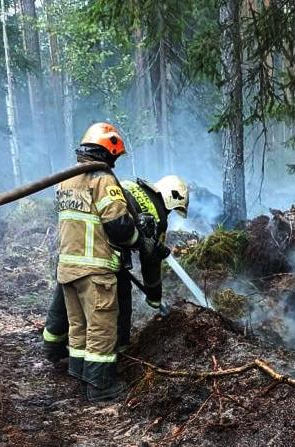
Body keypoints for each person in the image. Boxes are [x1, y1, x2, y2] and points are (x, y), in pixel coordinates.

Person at [52, 122, 167, 402]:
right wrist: (142, 239)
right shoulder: (102, 180)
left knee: (79, 327)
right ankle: (101, 388)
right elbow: (119, 228)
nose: (115, 162)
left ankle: (80, 374)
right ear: (108, 151)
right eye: (115, 156)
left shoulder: (67, 180)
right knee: (102, 328)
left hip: (68, 268)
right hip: (95, 269)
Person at [43, 174, 189, 358]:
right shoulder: (158, 215)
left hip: (72, 243)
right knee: (121, 296)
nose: (170, 213)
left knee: (68, 290)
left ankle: (52, 346)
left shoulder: (128, 185)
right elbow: (150, 260)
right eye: (175, 209)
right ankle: (120, 351)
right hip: (101, 252)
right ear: (172, 199)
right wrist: (154, 297)